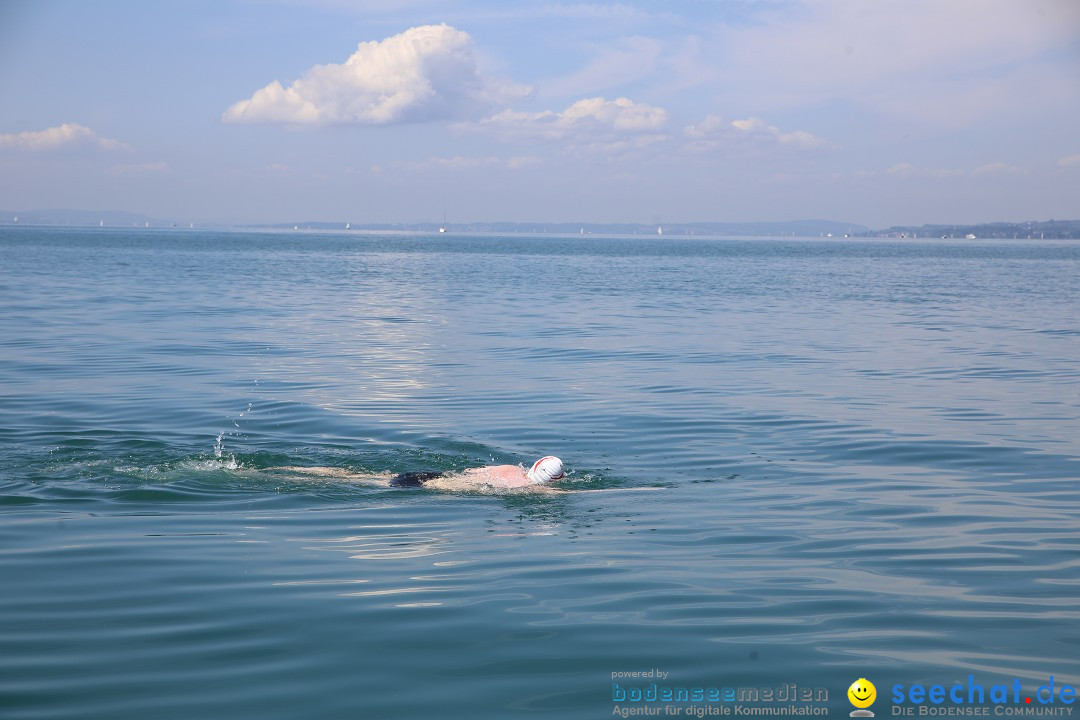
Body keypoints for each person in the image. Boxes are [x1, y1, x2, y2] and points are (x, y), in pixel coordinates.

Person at [389, 456, 565, 489]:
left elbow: (469, 471)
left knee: (379, 478)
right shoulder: (527, 487)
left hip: (440, 475)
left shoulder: (512, 469)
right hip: (436, 486)